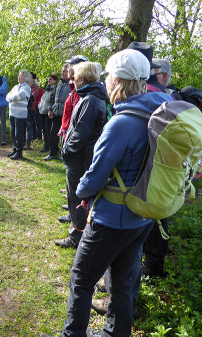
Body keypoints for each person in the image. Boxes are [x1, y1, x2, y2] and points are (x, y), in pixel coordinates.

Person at [41, 49, 172, 337]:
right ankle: (115, 333)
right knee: (123, 281)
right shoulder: (160, 111)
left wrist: (80, 190)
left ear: (118, 81)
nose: (107, 81)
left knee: (82, 278)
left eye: (109, 76)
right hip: (143, 217)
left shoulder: (122, 123)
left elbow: (94, 178)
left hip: (112, 219)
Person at [55, 62, 108, 249]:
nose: (72, 81)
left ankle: (76, 237)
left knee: (76, 197)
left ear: (82, 79)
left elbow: (80, 133)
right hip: (81, 156)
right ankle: (79, 233)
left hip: (80, 158)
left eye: (73, 78)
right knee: (78, 196)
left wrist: (66, 150)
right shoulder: (90, 97)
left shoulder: (91, 100)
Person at [58, 55, 89, 223]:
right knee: (70, 177)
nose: (67, 68)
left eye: (70, 65)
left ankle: (75, 216)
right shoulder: (73, 87)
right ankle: (72, 209)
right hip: (68, 134)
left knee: (76, 178)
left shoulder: (82, 90)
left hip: (75, 142)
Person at [44, 64, 71, 161]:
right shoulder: (59, 83)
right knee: (53, 133)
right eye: (62, 71)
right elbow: (52, 97)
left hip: (66, 114)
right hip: (56, 112)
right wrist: (50, 109)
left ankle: (64, 155)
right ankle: (52, 153)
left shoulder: (72, 84)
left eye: (65, 71)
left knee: (65, 135)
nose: (62, 73)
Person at [6, 69, 31, 160]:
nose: (18, 77)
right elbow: (7, 96)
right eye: (19, 75)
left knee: (19, 133)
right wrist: (13, 98)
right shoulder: (15, 87)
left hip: (20, 114)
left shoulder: (27, 87)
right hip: (12, 113)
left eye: (21, 76)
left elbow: (20, 96)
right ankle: (15, 149)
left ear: (26, 78)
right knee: (13, 132)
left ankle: (19, 152)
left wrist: (12, 98)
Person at [38, 75, 58, 153]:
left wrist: (50, 110)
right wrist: (40, 106)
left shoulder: (55, 90)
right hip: (42, 111)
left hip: (48, 112)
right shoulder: (47, 89)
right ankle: (46, 145)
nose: (49, 80)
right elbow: (43, 99)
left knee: (48, 130)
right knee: (44, 130)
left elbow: (52, 101)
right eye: (48, 79)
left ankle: (51, 146)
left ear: (55, 80)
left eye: (51, 79)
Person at [25, 72, 39, 149]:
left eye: (30, 77)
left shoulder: (36, 87)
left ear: (33, 79)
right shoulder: (25, 86)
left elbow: (32, 97)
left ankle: (28, 143)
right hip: (24, 108)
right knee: (24, 125)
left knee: (29, 126)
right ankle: (23, 142)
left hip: (31, 109)